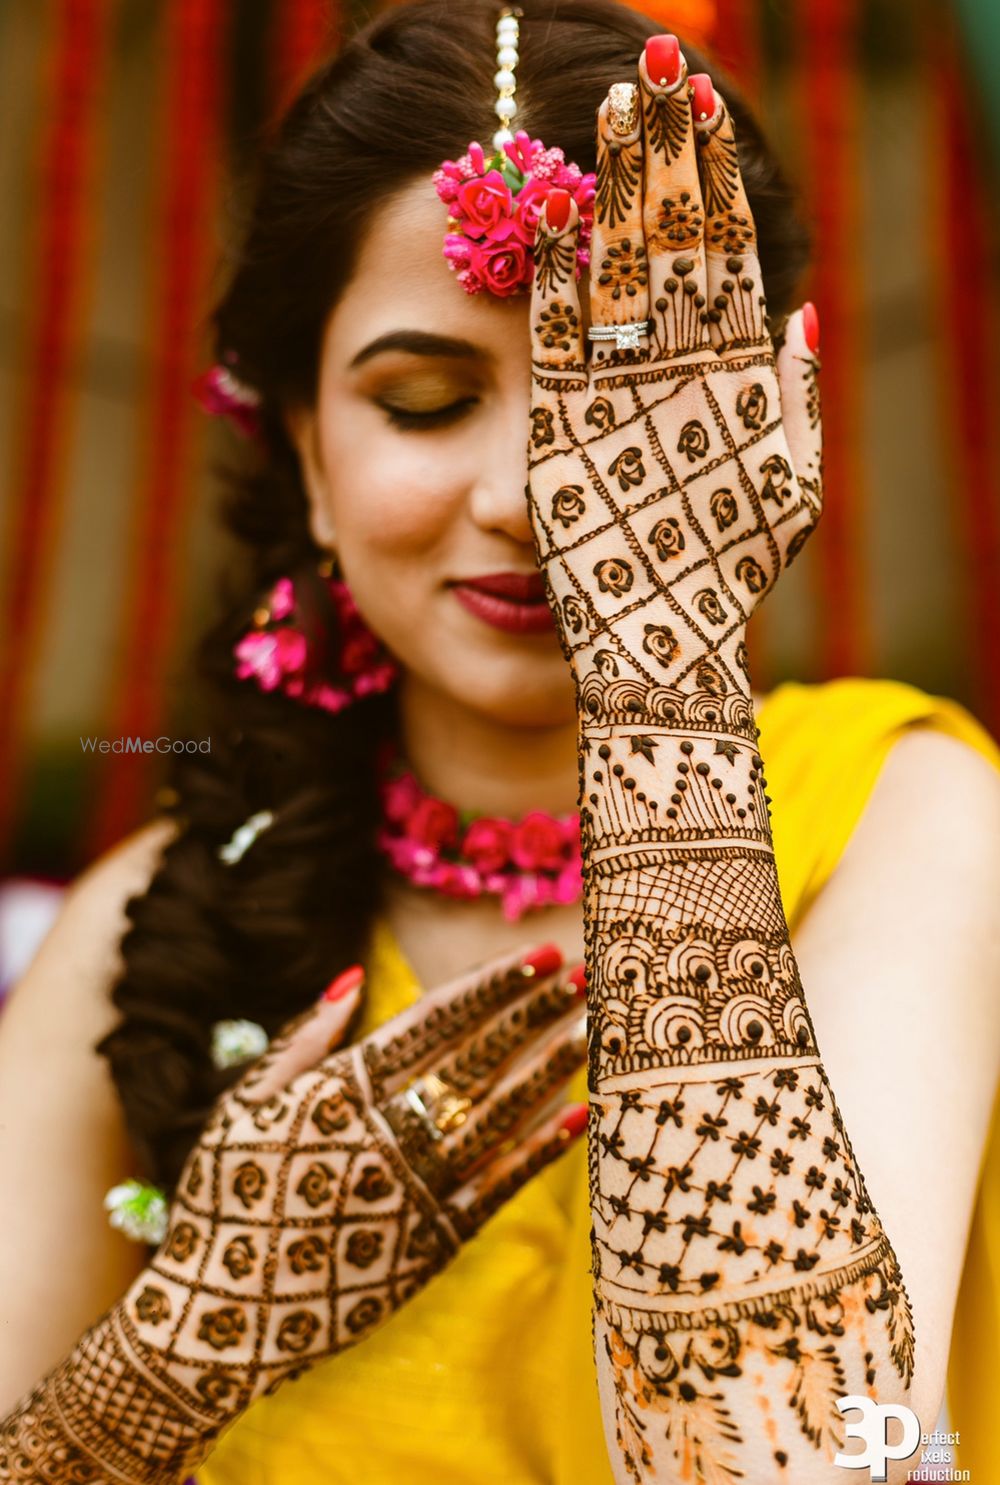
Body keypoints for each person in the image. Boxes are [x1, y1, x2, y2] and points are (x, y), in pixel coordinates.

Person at [1, 1, 999, 1481]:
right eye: (427, 401)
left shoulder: (905, 814)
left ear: (767, 414)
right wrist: (179, 1356)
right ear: (303, 455)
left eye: (621, 397)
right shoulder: (156, 917)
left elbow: (779, 1464)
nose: (534, 496)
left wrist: (663, 696)